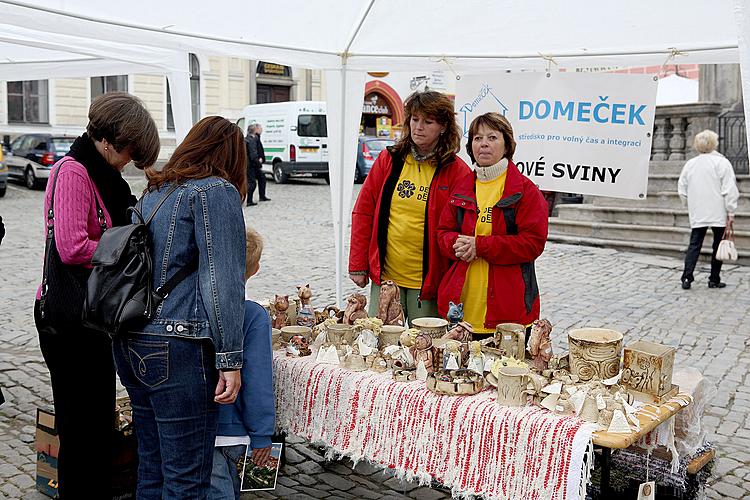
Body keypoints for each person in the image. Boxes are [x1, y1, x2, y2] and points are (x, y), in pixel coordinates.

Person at [112, 116, 246, 498]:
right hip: (177, 347)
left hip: (132, 340)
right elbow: (222, 282)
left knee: (152, 470)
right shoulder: (215, 191)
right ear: (232, 156)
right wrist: (230, 359)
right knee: (186, 480)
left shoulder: (155, 192)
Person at [33, 92, 159, 498]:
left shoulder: (106, 177)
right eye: (130, 153)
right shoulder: (73, 172)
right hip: (68, 321)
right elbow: (71, 247)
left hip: (92, 318)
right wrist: (125, 252)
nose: (129, 162)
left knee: (96, 425)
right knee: (80, 429)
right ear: (111, 140)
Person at [349, 91, 470, 323]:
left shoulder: (456, 171)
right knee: (379, 345)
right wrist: (358, 264)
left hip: (428, 283)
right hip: (386, 277)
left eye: (428, 121)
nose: (419, 127)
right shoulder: (390, 159)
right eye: (414, 120)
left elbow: (462, 227)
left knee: (424, 349)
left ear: (443, 126)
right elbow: (364, 211)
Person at [436, 113, 548, 338]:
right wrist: (454, 243)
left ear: (507, 144)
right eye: (477, 138)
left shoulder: (525, 191)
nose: (484, 144)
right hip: (460, 310)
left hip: (508, 311)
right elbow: (443, 232)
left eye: (492, 137)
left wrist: (481, 246)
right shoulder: (462, 187)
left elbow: (532, 244)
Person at [209, 227, 275, 500]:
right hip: (234, 430)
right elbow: (259, 380)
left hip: (201, 427)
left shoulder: (194, 306)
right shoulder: (253, 315)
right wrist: (262, 434)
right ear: (256, 269)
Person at [678, 129, 739, 289]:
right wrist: (731, 210)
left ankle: (687, 277)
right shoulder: (722, 163)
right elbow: (729, 188)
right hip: (718, 210)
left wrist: (688, 205)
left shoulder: (690, 164)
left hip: (698, 210)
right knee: (718, 245)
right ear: (714, 144)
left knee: (695, 244)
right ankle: (714, 279)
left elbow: (682, 188)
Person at [245, 124, 260, 206]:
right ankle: (249, 200)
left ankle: (248, 199)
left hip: (246, 164)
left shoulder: (246, 139)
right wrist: (258, 163)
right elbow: (253, 154)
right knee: (252, 183)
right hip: (250, 164)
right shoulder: (251, 140)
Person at [254, 124, 270, 202]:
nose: (262, 130)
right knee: (253, 181)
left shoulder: (257, 138)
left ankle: (262, 195)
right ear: (256, 129)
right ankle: (250, 199)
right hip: (255, 163)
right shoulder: (254, 138)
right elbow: (255, 150)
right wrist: (258, 159)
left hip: (257, 162)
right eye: (260, 128)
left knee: (262, 178)